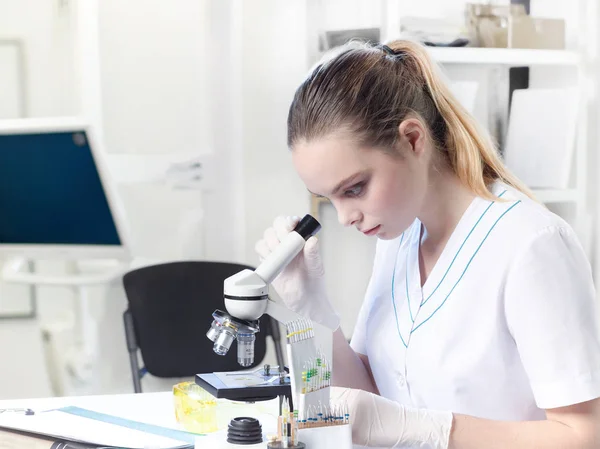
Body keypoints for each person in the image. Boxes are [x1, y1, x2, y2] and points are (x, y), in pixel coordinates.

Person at [255, 39, 600, 449]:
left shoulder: (530, 244)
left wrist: (431, 431)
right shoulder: (398, 238)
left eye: (356, 188)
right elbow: (369, 400)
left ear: (413, 139)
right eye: (329, 197)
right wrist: (313, 315)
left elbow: (584, 434)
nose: (345, 217)